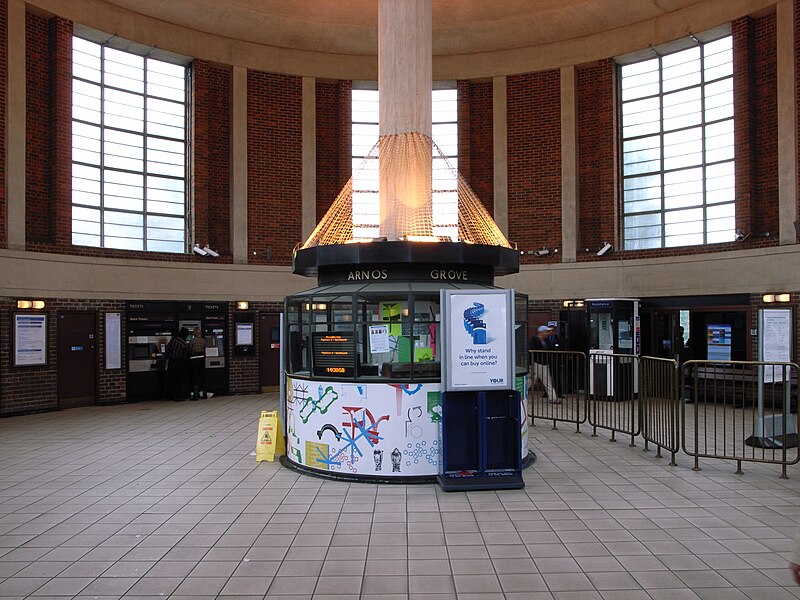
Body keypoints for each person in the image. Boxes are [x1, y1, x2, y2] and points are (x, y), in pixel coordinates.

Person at [529, 325, 561, 404]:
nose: (548, 333)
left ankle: (553, 398)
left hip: (544, 364)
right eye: (546, 331)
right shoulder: (534, 340)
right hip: (536, 363)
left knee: (547, 381)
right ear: (541, 332)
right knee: (531, 381)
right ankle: (519, 393)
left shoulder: (547, 340)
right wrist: (530, 363)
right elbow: (530, 351)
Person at [165, 327, 190, 401]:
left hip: (172, 361)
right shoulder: (185, 344)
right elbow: (185, 355)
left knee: (171, 379)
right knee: (180, 380)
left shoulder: (174, 340)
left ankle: (170, 396)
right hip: (180, 362)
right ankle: (179, 396)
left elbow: (167, 349)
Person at [187, 326, 210, 400]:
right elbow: (205, 348)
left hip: (194, 359)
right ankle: (204, 393)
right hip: (202, 358)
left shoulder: (192, 341)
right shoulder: (203, 340)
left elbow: (189, 350)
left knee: (195, 376)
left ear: (194, 332)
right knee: (202, 375)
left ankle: (196, 394)